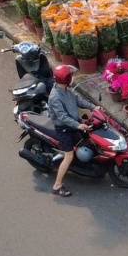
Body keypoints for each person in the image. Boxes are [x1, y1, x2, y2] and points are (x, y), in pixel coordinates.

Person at [43, 64, 88, 196]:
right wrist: (77, 125)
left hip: (74, 124)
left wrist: (94, 108)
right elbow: (62, 117)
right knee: (69, 156)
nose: (73, 78)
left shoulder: (67, 90)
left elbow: (79, 101)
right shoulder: (55, 97)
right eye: (70, 76)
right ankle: (57, 185)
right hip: (64, 129)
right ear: (66, 79)